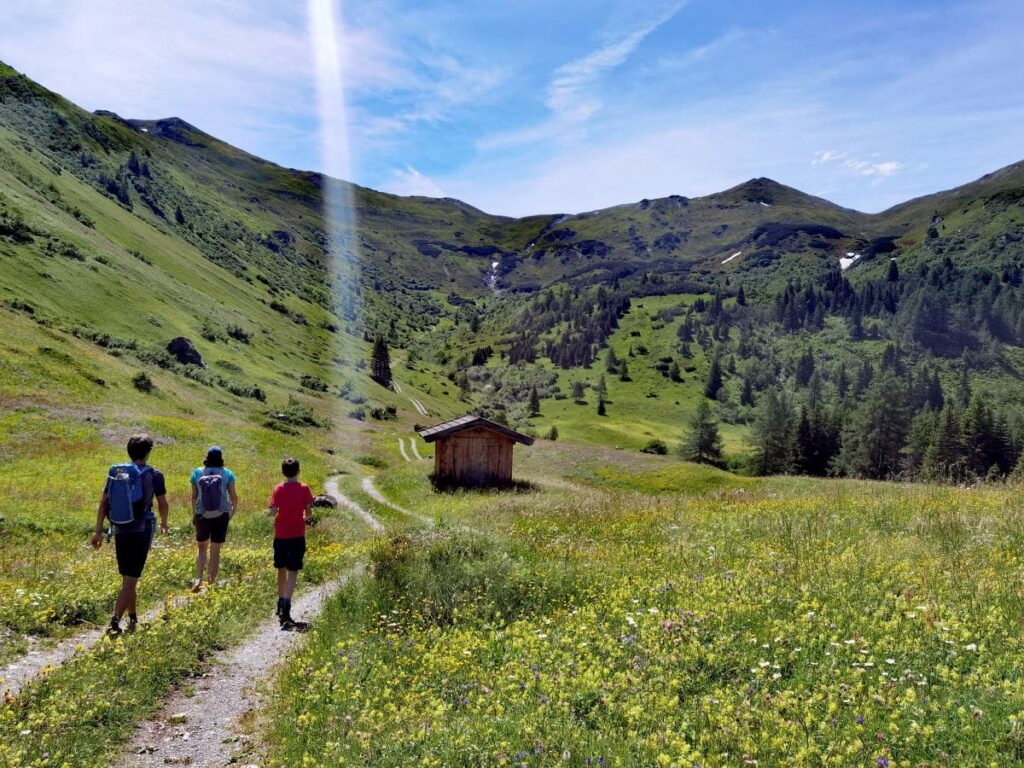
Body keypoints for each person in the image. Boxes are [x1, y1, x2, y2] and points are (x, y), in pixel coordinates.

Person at [92, 434, 169, 636]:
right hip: (141, 530)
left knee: (128, 578)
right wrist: (164, 523)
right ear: (148, 452)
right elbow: (162, 504)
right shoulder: (155, 475)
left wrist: (98, 530)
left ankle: (133, 616)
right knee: (131, 579)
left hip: (120, 528)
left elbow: (103, 503)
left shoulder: (116, 473)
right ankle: (115, 620)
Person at [268, 457, 313, 631]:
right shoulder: (304, 488)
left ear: (283, 472)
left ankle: (280, 602)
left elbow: (273, 511)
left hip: (281, 534)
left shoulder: (278, 489)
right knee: (293, 570)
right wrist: (303, 517)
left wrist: (269, 515)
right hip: (297, 534)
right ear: (298, 470)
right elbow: (308, 512)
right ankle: (287, 604)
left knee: (281, 568)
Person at [189, 446, 239, 592]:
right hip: (221, 514)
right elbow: (234, 496)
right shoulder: (227, 473)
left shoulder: (197, 473)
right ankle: (211, 583)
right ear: (221, 458)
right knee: (215, 550)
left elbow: (193, 496)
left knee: (202, 547)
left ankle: (198, 578)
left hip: (202, 514)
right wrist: (232, 512)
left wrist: (195, 514)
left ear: (207, 457)